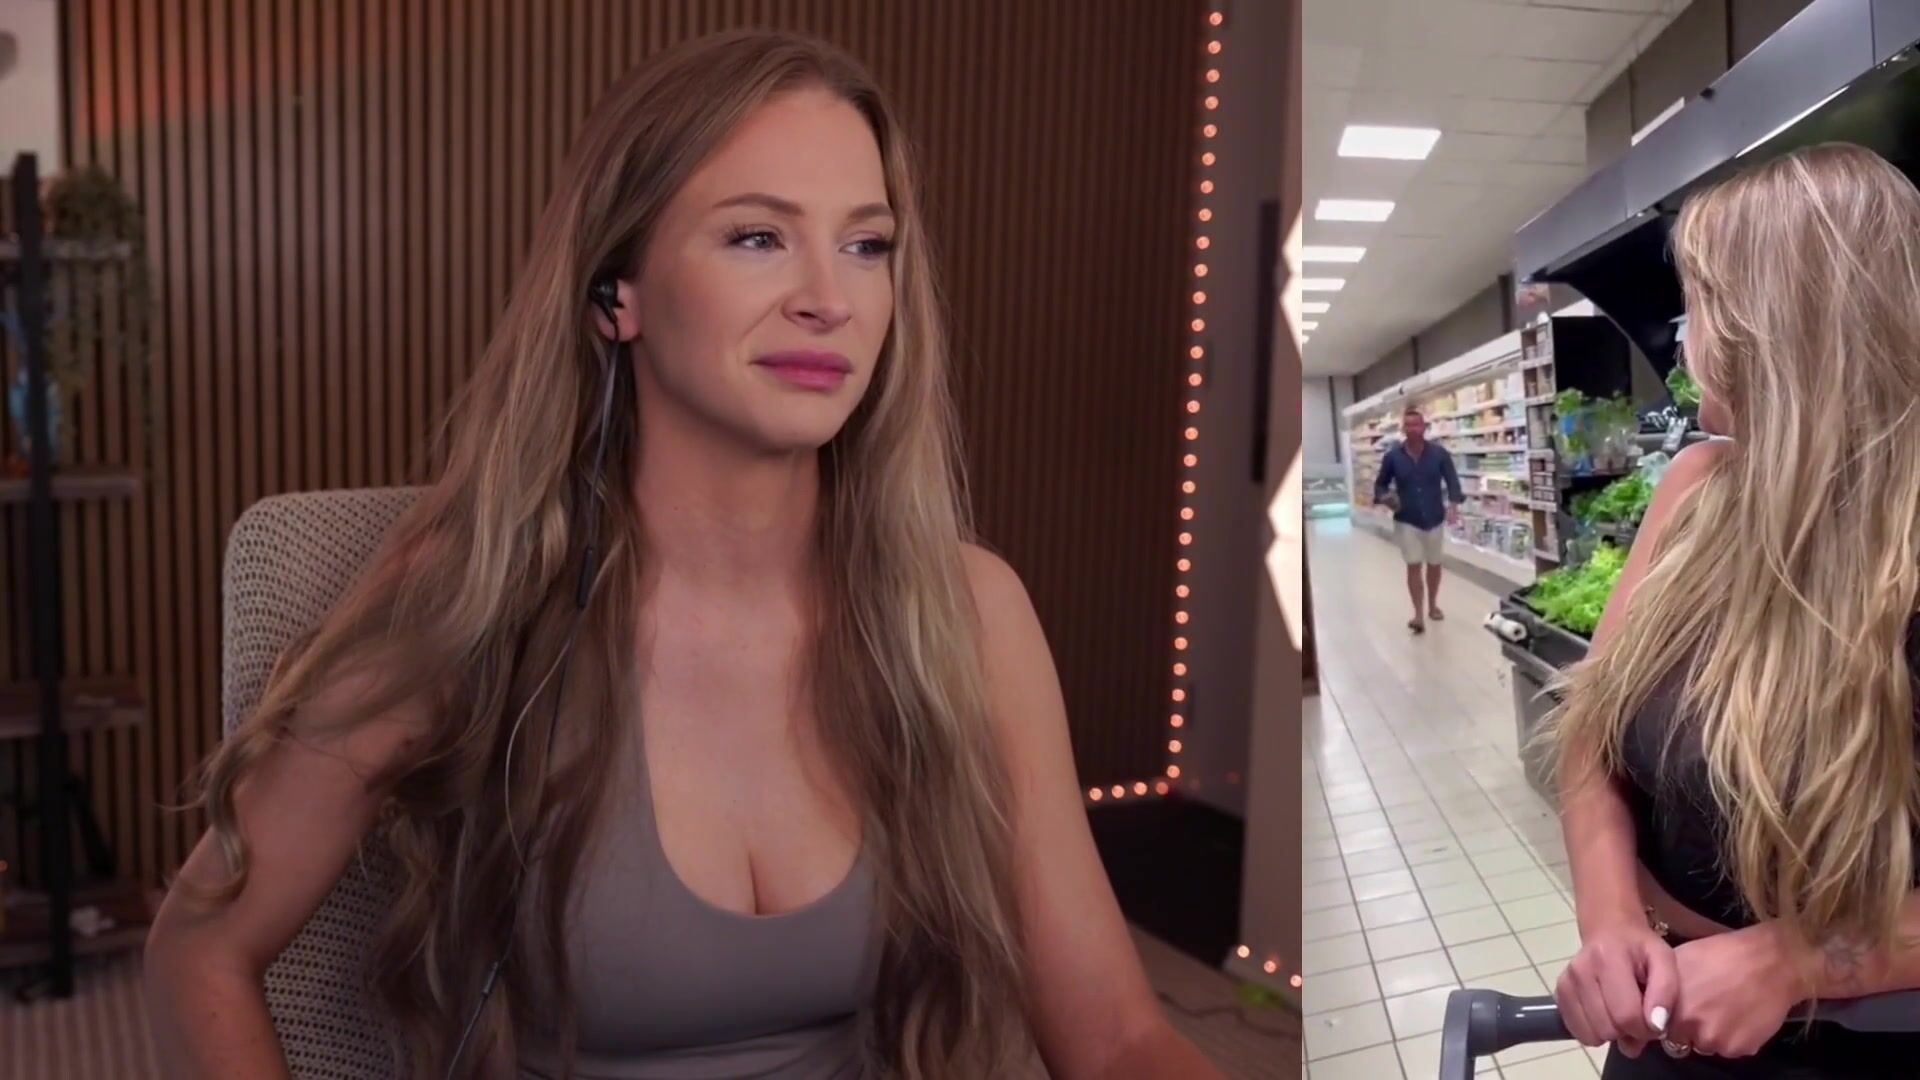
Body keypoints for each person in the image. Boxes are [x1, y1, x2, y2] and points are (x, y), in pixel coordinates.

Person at [141, 30, 1221, 1080]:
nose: (829, 298)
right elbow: (199, 948)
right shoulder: (473, 595)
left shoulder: (969, 613)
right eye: (757, 237)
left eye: (866, 244)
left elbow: (1118, 1041)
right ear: (617, 294)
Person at [1543, 141, 1920, 1078]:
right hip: (1672, 1025)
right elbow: (1593, 735)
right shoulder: (1697, 488)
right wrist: (1611, 922)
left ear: (1778, 325)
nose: (1685, 341)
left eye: (1703, 304)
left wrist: (1798, 960)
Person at [1372, 408, 1464, 633]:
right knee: (1413, 565)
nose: (1413, 429)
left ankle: (1433, 605)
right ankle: (1418, 614)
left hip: (1434, 517)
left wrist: (1453, 505)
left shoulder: (1439, 454)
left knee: (1434, 563)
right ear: (1403, 429)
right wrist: (1385, 497)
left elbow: (1452, 481)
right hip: (1406, 518)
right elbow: (1380, 484)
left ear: (1424, 427)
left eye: (1417, 424)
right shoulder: (1393, 457)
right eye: (1408, 425)